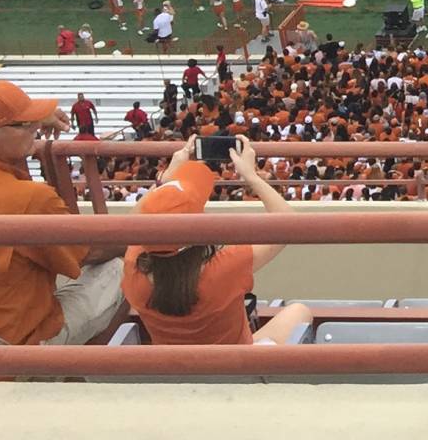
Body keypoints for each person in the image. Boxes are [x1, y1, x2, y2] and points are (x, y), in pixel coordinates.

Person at [0, 80, 124, 344]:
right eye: (25, 123)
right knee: (116, 266)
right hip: (16, 349)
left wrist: (27, 124)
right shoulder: (31, 199)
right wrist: (136, 240)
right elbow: (90, 251)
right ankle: (67, 373)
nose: (35, 127)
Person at [124, 139, 313, 347]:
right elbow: (290, 226)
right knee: (299, 311)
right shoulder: (227, 265)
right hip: (236, 369)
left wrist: (165, 180)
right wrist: (251, 176)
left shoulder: (132, 264)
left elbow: (131, 224)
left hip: (174, 372)